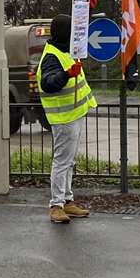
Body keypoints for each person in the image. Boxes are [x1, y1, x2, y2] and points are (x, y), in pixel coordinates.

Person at [37, 15, 97, 224]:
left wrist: (86, 11)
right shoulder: (53, 56)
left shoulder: (65, 51)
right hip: (63, 117)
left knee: (68, 161)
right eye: (72, 31)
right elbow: (48, 83)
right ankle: (56, 205)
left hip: (73, 114)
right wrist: (66, 75)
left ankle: (67, 201)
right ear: (65, 33)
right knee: (62, 162)